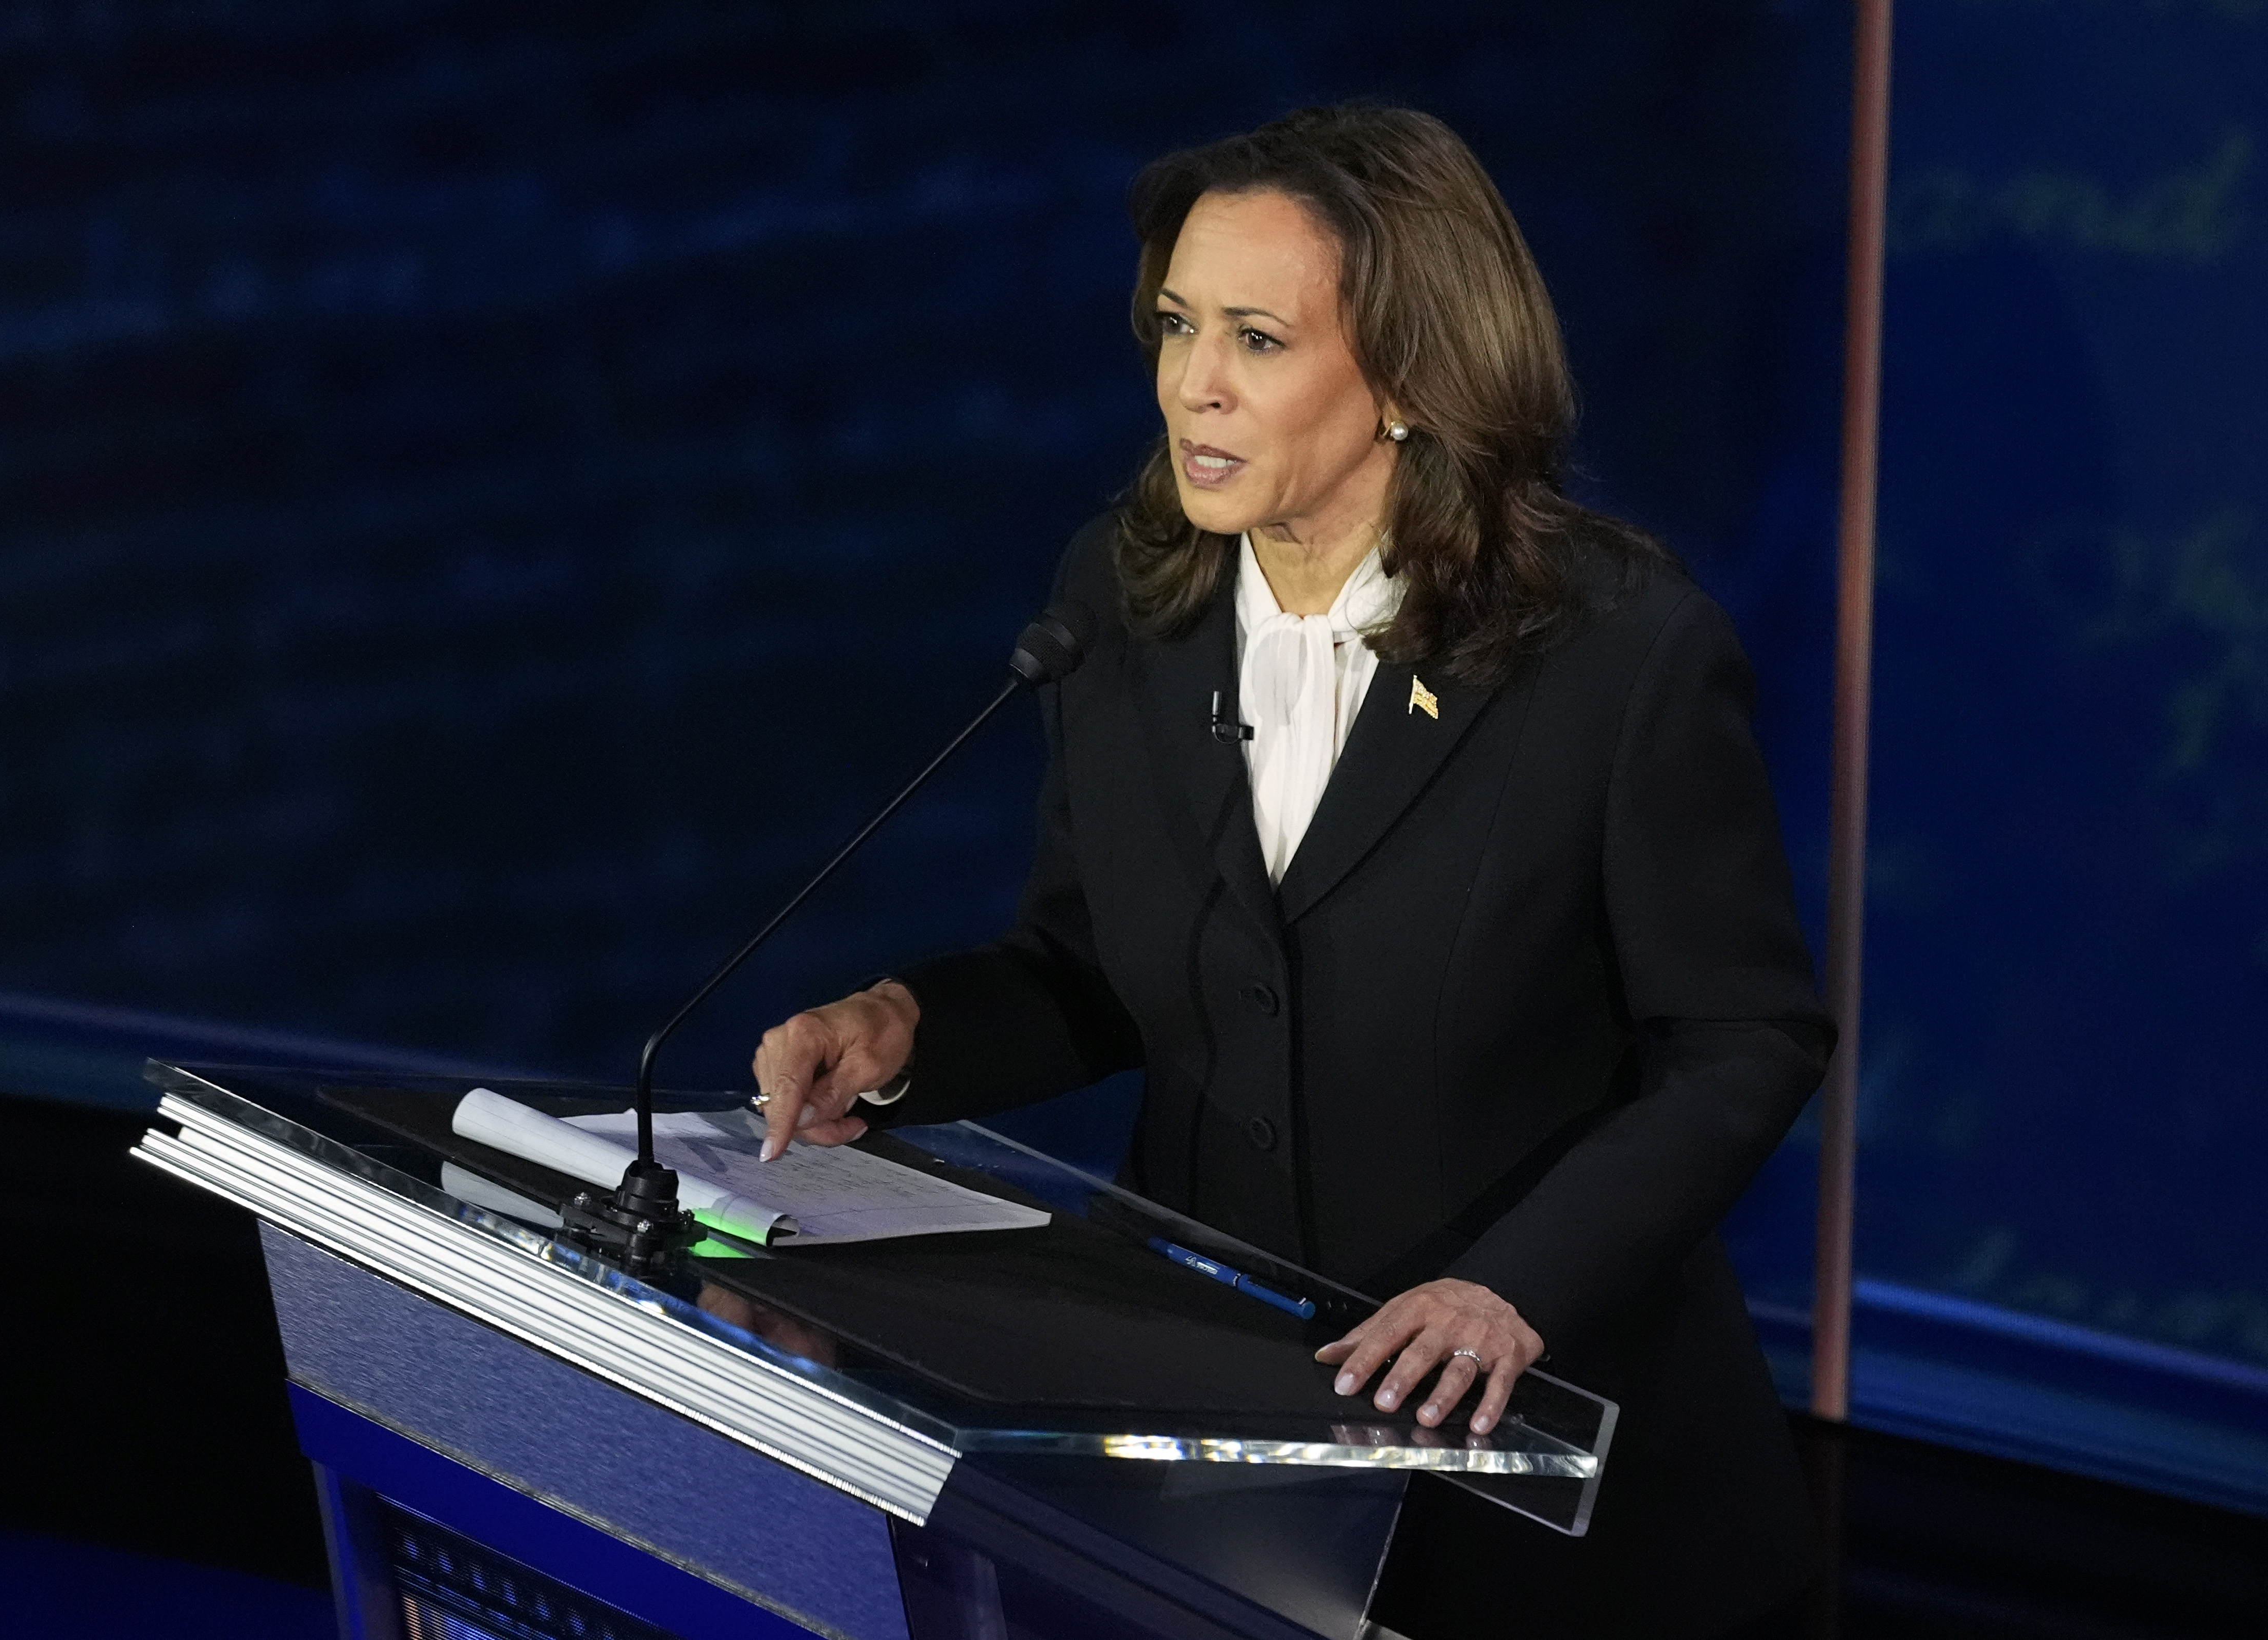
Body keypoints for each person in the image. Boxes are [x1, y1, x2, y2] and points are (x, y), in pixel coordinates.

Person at [749, 103, 1830, 1639]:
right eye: (1178, 325)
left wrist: (1508, 1287)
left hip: (1534, 1493)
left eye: (1256, 338)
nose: (1191, 383)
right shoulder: (1123, 597)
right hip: (1208, 1467)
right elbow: (1090, 969)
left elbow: (1742, 1038)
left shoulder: (1615, 651)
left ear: (1405, 376)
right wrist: (907, 1031)